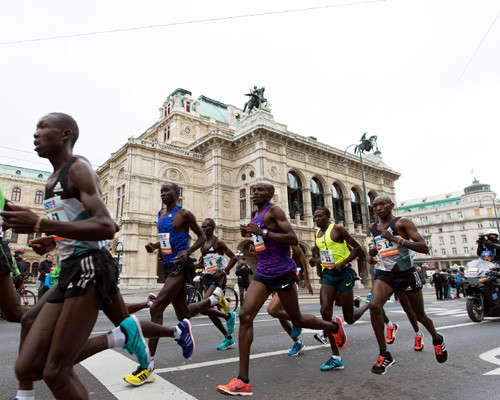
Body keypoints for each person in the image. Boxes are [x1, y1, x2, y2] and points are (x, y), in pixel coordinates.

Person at [2, 113, 191, 400]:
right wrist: (52, 239)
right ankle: (132, 335)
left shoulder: (78, 169)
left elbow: (106, 225)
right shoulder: (51, 181)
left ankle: (137, 335)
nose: (35, 134)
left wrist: (40, 224)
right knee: (27, 364)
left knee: (56, 371)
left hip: (91, 267)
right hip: (71, 268)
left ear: (65, 135)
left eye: (43, 127)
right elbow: (74, 223)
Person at [217, 182, 345, 396]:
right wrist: (250, 234)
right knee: (245, 316)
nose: (254, 193)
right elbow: (262, 240)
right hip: (263, 272)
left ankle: (332, 327)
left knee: (297, 320)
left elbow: (293, 238)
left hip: (282, 272)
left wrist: (263, 232)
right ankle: (243, 381)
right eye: (253, 190)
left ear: (270, 194)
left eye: (259, 190)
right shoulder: (255, 214)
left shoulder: (275, 210)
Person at [124, 182, 230, 385]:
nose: (163, 194)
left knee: (156, 308)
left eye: (167, 191)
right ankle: (213, 300)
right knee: (184, 313)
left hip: (181, 266)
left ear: (177, 193)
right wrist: (155, 246)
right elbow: (167, 239)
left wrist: (188, 252)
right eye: (161, 191)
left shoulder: (184, 214)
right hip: (167, 265)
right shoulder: (160, 214)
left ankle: (148, 366)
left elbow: (201, 237)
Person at [367, 195, 447, 375]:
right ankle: (384, 354)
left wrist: (397, 239)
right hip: (386, 274)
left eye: (382, 204)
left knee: (419, 316)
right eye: (375, 205)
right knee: (374, 306)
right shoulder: (373, 228)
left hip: (406, 273)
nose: (378, 208)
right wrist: (374, 252)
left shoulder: (402, 223)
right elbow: (381, 248)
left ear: (391, 205)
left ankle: (436, 338)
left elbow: (424, 247)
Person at [308, 206, 369, 371]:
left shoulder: (338, 229)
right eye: (315, 216)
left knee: (350, 318)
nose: (317, 219)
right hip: (328, 275)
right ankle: (336, 357)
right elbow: (324, 256)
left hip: (344, 274)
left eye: (320, 216)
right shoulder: (317, 234)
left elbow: (357, 249)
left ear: (328, 217)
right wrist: (316, 260)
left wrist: (342, 264)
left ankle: (368, 304)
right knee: (324, 311)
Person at [263, 243, 313, 356]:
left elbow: (300, 254)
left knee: (273, 310)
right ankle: (297, 342)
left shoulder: (284, 235)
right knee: (279, 315)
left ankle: (330, 327)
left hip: (286, 279)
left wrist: (306, 278)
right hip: (273, 279)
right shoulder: (266, 240)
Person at [197, 217, 238, 351]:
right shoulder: (203, 244)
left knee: (203, 306)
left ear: (212, 228)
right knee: (209, 312)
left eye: (206, 227)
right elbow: (203, 262)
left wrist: (224, 272)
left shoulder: (218, 242)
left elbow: (234, 258)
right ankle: (228, 337)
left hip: (218, 278)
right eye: (202, 227)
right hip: (207, 279)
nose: (203, 229)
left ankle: (228, 315)